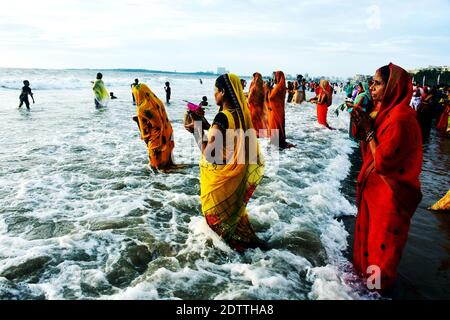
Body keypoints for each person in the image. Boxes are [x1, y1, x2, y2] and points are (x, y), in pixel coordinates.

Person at [351, 63, 423, 294]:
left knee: (381, 249)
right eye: (371, 82)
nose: (371, 87)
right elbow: (367, 146)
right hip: (375, 193)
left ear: (393, 87)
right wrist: (361, 125)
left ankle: (376, 293)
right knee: (368, 242)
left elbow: (383, 161)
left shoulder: (401, 119)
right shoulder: (385, 112)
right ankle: (363, 286)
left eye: (377, 83)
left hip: (390, 197)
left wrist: (369, 130)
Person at [184, 74, 265, 252]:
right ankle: (250, 251)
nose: (213, 95)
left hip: (221, 180)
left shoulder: (222, 117)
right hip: (236, 179)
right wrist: (205, 124)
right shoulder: (240, 115)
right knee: (232, 221)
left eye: (215, 90)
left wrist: (196, 131)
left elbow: (211, 154)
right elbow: (229, 135)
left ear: (222, 92)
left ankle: (232, 256)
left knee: (220, 227)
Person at [132, 83, 175, 171]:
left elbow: (146, 133)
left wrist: (138, 122)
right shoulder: (157, 101)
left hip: (156, 141)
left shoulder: (142, 109)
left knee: (156, 168)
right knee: (167, 165)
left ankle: (158, 184)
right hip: (167, 134)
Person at [268, 71, 295, 148]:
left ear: (278, 77)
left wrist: (268, 90)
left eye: (275, 77)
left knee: (275, 124)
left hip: (275, 110)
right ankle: (277, 141)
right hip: (278, 109)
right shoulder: (281, 86)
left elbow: (271, 97)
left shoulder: (278, 86)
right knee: (278, 124)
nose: (274, 79)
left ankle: (276, 142)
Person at [247, 72, 268, 137]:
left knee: (254, 122)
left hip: (254, 108)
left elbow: (249, 99)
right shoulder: (263, 88)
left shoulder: (254, 88)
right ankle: (262, 135)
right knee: (261, 121)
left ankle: (256, 135)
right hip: (261, 108)